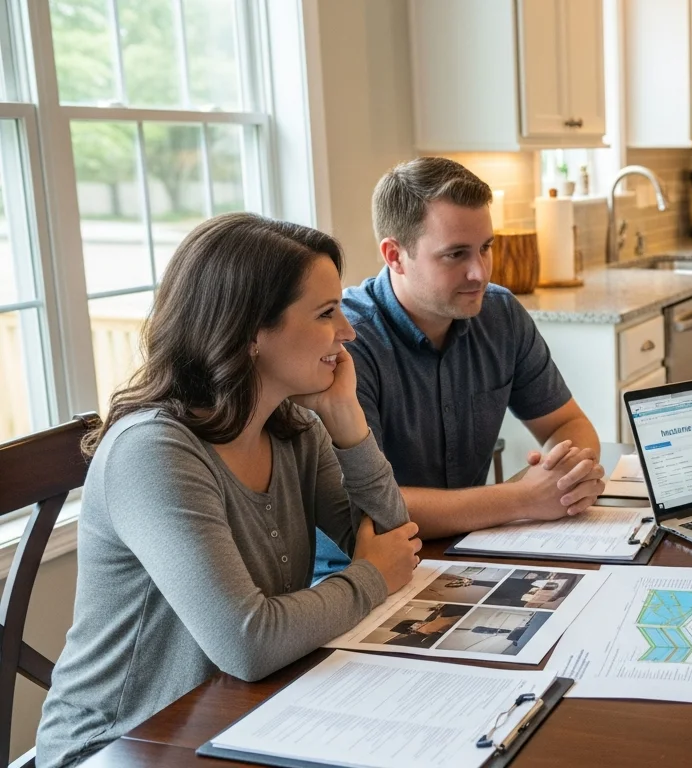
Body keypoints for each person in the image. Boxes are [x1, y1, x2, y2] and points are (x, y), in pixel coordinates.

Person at [37, 214, 422, 767]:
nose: (348, 331)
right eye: (325, 313)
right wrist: (370, 577)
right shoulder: (153, 453)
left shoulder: (294, 427)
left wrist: (349, 423)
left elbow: (394, 540)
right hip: (122, 747)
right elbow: (249, 643)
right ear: (249, 334)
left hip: (243, 718)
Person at [314, 157, 603, 575]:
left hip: (469, 549)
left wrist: (567, 479)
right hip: (359, 574)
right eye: (455, 255)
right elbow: (370, 508)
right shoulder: (347, 343)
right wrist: (523, 497)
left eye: (486, 247)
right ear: (395, 255)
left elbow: (570, 423)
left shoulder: (500, 314)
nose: (479, 272)